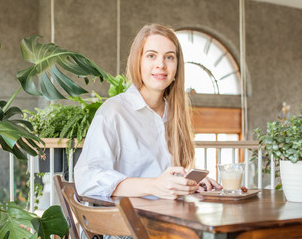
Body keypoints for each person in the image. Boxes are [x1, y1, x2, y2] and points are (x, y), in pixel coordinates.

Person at [74, 24, 221, 200]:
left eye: (169, 57)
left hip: (167, 218)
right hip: (126, 223)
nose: (161, 65)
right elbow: (87, 179)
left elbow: (163, 178)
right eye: (151, 56)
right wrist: (154, 186)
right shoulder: (114, 111)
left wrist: (187, 183)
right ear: (138, 62)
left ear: (177, 68)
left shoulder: (175, 115)